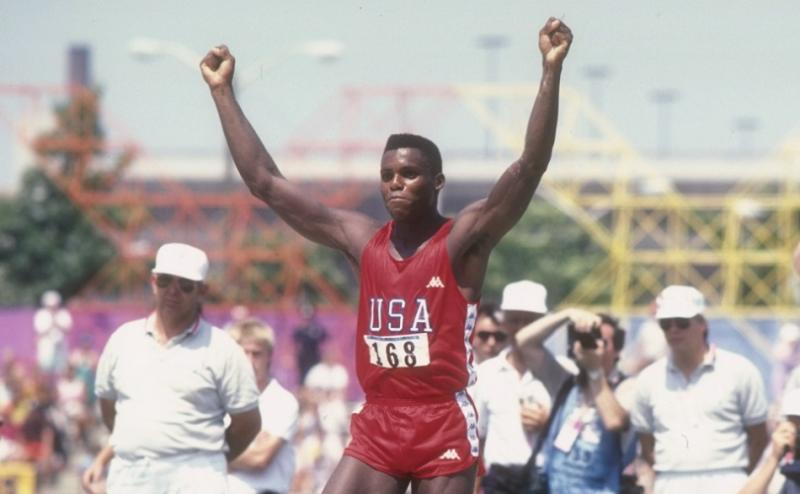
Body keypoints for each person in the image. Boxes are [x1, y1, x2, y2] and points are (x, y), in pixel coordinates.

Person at [201, 16, 572, 494]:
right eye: (387, 173)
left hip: (441, 421)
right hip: (379, 419)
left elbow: (528, 168)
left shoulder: (464, 239)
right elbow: (265, 182)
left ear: (437, 183)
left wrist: (550, 71)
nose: (395, 182)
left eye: (410, 174)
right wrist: (222, 92)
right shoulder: (360, 239)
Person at [82, 242, 261, 493]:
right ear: (153, 282)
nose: (173, 291)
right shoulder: (123, 340)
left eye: (185, 285)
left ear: (203, 291)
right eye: (165, 281)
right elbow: (110, 409)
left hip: (196, 477)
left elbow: (248, 422)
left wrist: (205, 458)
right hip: (131, 475)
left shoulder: (223, 348)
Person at [631, 285, 769, 494]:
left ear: (702, 324)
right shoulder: (648, 380)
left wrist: (738, 477)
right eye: (666, 324)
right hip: (669, 483)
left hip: (729, 481)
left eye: (682, 323)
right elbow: (646, 442)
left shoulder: (740, 371)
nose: (673, 330)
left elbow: (759, 436)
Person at [515, 307, 637, 493]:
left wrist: (595, 371)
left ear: (617, 350)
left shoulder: (628, 387)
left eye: (601, 342)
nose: (592, 346)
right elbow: (524, 342)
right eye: (585, 340)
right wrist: (567, 314)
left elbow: (614, 421)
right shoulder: (566, 383)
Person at [472, 281, 552, 493]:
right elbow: (477, 442)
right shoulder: (486, 374)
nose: (522, 328)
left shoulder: (563, 373)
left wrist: (549, 424)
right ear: (505, 323)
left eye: (530, 321)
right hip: (499, 482)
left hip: (547, 481)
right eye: (515, 320)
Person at [227, 318, 300, 494]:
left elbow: (259, 459)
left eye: (256, 353)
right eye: (244, 353)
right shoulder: (219, 399)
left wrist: (212, 453)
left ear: (269, 356)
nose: (250, 361)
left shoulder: (282, 401)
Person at [33, 290, 72, 374]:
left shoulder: (63, 314)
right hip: (46, 347)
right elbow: (40, 331)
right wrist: (52, 322)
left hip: (60, 347)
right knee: (45, 369)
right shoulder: (41, 315)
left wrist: (56, 321)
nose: (53, 307)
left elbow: (67, 329)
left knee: (60, 370)